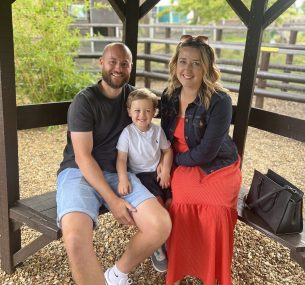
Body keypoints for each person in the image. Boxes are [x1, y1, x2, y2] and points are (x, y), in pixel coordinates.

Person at [56, 42, 172, 285]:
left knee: (159, 225)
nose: (118, 68)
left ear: (130, 67)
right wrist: (112, 200)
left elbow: (155, 124)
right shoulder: (84, 101)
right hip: (80, 173)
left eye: (124, 63)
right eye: (112, 62)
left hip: (119, 173)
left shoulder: (134, 99)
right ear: (101, 62)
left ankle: (117, 274)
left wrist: (164, 161)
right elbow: (82, 157)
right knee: (76, 240)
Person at [160, 35, 242, 285]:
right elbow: (165, 137)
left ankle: (211, 272)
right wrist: (165, 162)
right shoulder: (170, 95)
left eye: (196, 63)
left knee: (215, 211)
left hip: (216, 165)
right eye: (183, 61)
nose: (187, 68)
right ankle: (180, 265)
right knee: (179, 202)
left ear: (206, 67)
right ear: (175, 64)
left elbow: (207, 151)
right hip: (180, 160)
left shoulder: (220, 100)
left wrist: (174, 164)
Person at [116, 88, 173, 273]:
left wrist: (165, 169)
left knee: (172, 203)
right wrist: (123, 178)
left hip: (158, 173)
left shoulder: (157, 131)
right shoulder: (128, 133)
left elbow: (167, 151)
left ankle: (172, 241)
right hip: (141, 176)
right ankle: (156, 245)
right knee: (157, 204)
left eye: (147, 111)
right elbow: (121, 159)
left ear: (154, 112)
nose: (142, 115)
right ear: (129, 112)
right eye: (137, 110)